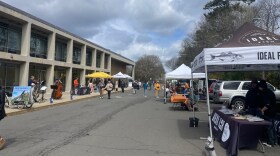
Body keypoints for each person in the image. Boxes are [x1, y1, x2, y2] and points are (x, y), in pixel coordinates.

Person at [258, 80, 277, 146]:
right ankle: (275, 141)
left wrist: (262, 110)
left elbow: (267, 104)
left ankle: (271, 142)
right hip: (273, 112)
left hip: (269, 112)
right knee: (272, 127)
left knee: (270, 127)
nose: (258, 88)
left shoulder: (266, 93)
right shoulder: (269, 91)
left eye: (259, 86)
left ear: (262, 86)